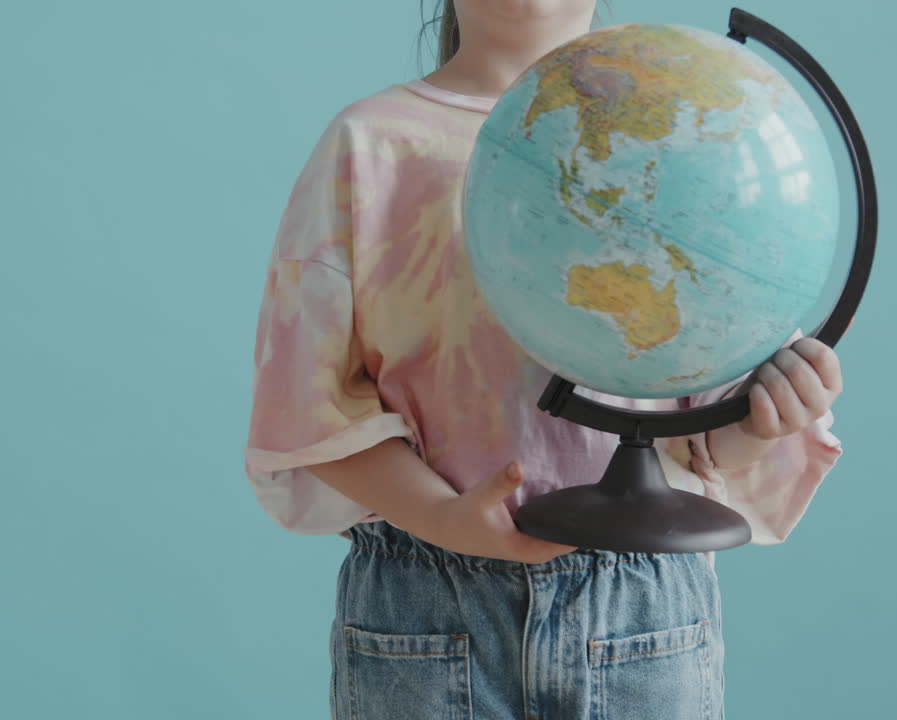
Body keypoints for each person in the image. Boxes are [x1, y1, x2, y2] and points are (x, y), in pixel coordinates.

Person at [244, 1, 844, 717]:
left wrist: (768, 416)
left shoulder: (691, 129)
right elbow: (308, 409)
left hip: (642, 608)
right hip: (424, 603)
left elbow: (704, 446)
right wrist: (443, 517)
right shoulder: (370, 145)